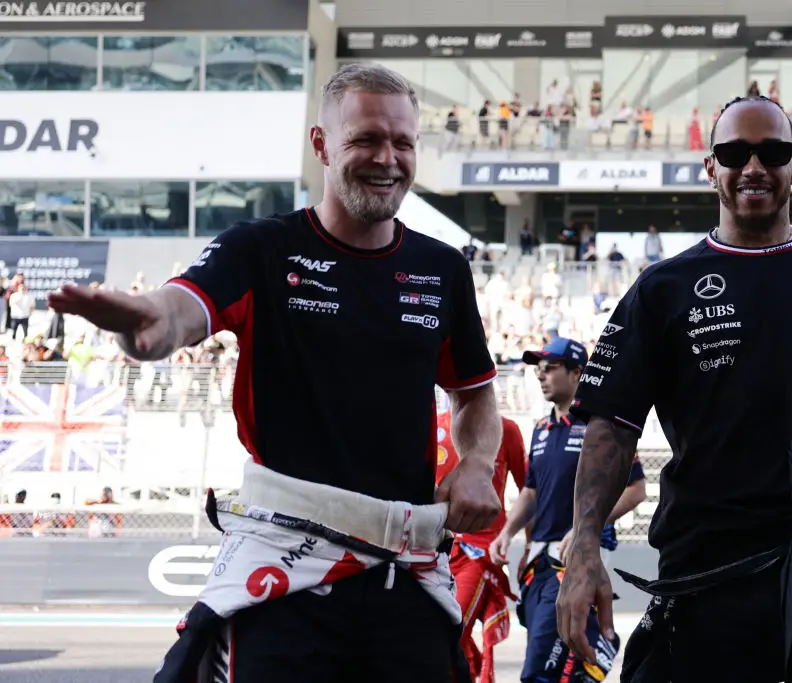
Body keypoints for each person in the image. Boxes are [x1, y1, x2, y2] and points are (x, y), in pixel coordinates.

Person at [48, 63, 504, 682]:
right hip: (284, 570)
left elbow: (475, 396)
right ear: (321, 145)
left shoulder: (443, 267)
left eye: (402, 142)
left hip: (406, 570)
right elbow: (176, 314)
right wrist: (145, 322)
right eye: (365, 139)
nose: (388, 158)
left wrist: (476, 464)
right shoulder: (259, 248)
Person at [555, 96, 792, 683]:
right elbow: (611, 426)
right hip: (705, 570)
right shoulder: (663, 288)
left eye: (772, 152)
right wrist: (584, 550)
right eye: (734, 153)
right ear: (712, 168)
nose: (753, 166)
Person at [490, 337, 647, 683]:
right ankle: (598, 653)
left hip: (576, 561)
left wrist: (585, 529)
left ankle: (603, 647)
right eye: (537, 370)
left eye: (550, 368)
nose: (541, 376)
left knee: (539, 673)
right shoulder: (541, 429)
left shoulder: (601, 427)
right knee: (565, 667)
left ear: (578, 372)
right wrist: (508, 532)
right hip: (539, 565)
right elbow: (530, 492)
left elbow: (637, 490)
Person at [434, 389, 528, 683]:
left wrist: (528, 547)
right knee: (434, 632)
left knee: (452, 629)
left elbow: (529, 489)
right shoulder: (431, 425)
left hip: (480, 551)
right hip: (434, 549)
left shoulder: (506, 429)